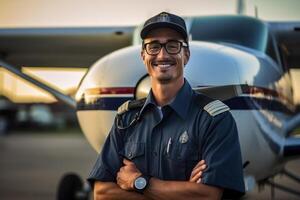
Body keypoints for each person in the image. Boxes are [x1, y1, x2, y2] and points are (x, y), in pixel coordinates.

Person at [88, 12, 245, 199]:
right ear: (143, 55)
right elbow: (102, 192)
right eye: (153, 47)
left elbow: (208, 195)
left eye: (172, 46)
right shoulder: (126, 118)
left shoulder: (215, 119)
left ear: (186, 55)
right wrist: (183, 190)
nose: (162, 55)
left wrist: (138, 182)